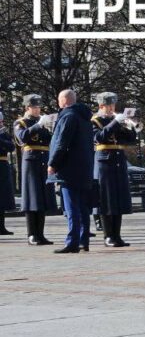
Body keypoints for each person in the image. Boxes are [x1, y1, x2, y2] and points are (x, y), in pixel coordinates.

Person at [47, 90, 95, 253]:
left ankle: (72, 242)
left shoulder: (68, 117)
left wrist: (53, 163)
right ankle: (83, 240)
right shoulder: (84, 117)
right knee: (82, 207)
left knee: (71, 206)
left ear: (63, 101)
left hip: (69, 168)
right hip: (84, 167)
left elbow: (62, 142)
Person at [91, 92, 135, 247]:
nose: (112, 108)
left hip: (118, 161)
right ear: (101, 106)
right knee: (107, 199)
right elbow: (99, 137)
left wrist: (130, 125)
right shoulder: (95, 121)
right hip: (104, 163)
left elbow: (129, 140)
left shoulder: (115, 121)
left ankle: (117, 235)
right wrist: (116, 122)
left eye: (113, 105)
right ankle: (108, 235)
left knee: (118, 198)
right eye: (109, 105)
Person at [14, 94, 57, 245]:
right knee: (32, 198)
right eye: (35, 107)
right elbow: (22, 137)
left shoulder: (41, 122)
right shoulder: (21, 122)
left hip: (44, 160)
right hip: (31, 161)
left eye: (39, 107)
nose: (38, 110)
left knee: (42, 198)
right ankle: (32, 234)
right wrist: (38, 126)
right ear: (27, 108)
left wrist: (50, 127)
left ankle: (41, 233)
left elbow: (49, 140)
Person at [0, 111, 17, 235]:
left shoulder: (4, 134)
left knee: (2, 197)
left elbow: (11, 147)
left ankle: (1, 226)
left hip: (3, 165)